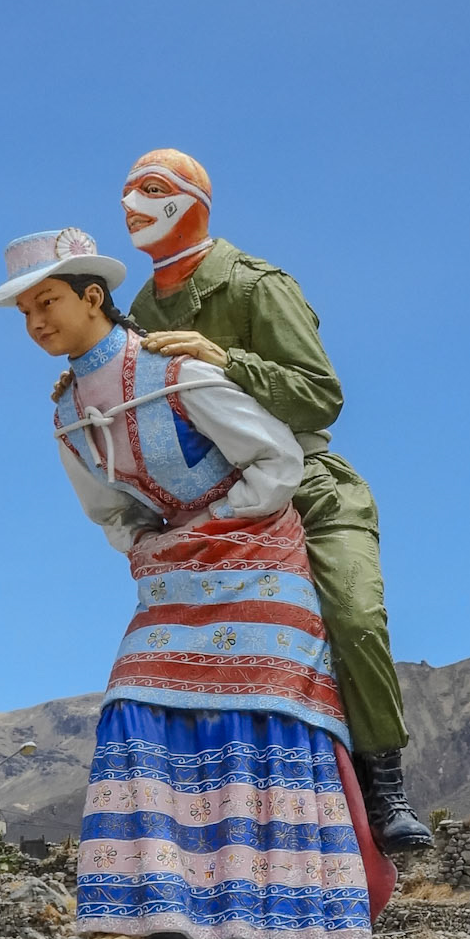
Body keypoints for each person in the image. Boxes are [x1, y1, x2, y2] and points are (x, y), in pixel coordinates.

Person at [0, 226, 394, 939]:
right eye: (24, 315)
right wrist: (148, 543)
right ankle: (138, 912)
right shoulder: (67, 413)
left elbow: (274, 459)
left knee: (264, 706)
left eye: (46, 302)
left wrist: (223, 522)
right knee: (133, 700)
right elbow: (107, 510)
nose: (36, 324)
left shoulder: (173, 370)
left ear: (92, 297)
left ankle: (310, 916)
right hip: (172, 575)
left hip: (260, 559)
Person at [107, 148, 432, 856]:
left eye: (151, 190)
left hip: (308, 483)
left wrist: (226, 360)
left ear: (192, 201)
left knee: (356, 614)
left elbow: (322, 396)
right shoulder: (137, 311)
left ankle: (385, 785)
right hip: (214, 504)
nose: (131, 206)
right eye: (126, 193)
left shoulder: (256, 286)